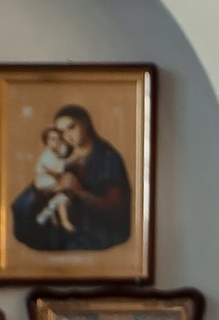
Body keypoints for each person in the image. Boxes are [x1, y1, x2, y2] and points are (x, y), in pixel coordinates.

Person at [10, 105, 134, 255]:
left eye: (71, 127)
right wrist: (51, 188)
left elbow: (117, 207)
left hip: (91, 231)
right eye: (61, 132)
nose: (68, 136)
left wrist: (80, 193)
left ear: (85, 124)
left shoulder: (108, 158)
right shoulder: (60, 154)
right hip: (56, 226)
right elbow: (38, 186)